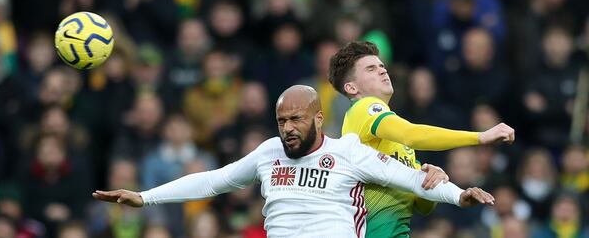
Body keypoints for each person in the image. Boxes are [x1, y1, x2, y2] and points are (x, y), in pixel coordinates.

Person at [93, 85, 495, 238]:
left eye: (295, 119)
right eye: (281, 120)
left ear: (318, 118)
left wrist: (460, 196)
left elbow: (412, 180)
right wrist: (144, 198)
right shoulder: (268, 153)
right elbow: (213, 180)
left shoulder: (348, 152)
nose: (287, 128)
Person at [330, 41, 515, 237]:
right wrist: (480, 136)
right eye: (371, 69)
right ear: (351, 88)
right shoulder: (363, 108)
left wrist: (445, 187)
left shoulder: (392, 139)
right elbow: (412, 134)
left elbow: (423, 206)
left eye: (382, 66)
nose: (382, 71)